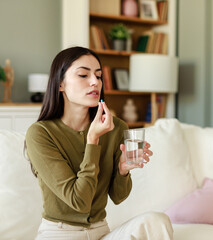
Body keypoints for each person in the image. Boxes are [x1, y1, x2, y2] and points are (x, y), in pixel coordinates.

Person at [25, 46, 173, 240]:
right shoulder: (41, 133)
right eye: (83, 75)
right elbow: (79, 201)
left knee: (156, 221)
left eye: (99, 75)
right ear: (60, 84)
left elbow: (118, 197)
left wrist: (123, 170)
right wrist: (92, 140)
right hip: (59, 233)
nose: (95, 82)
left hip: (100, 231)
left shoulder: (116, 127)